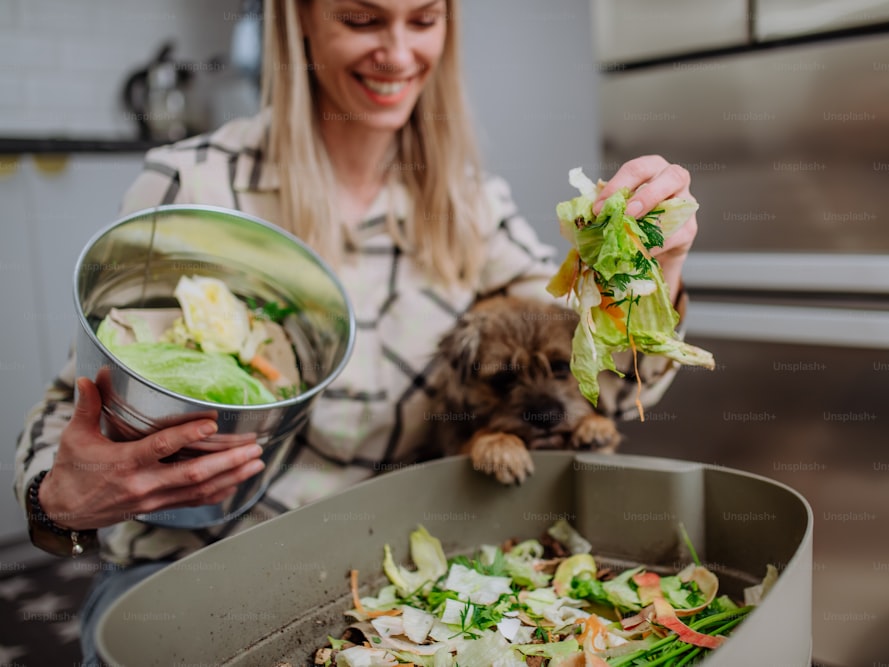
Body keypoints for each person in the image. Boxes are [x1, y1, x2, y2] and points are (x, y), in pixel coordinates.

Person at [13, 0, 699, 663]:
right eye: (362, 18)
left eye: (424, 19)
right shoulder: (196, 182)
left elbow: (588, 363)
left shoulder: (468, 203)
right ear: (301, 19)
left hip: (387, 571)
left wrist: (647, 273)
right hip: (196, 570)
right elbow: (77, 405)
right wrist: (57, 500)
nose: (398, 53)